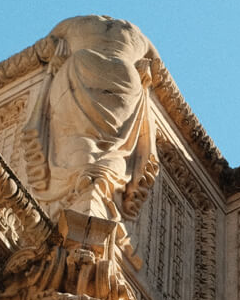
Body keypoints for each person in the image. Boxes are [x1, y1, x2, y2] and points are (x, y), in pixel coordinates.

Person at [20, 15, 159, 223]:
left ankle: (80, 184)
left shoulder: (69, 24)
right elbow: (157, 67)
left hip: (80, 65)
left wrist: (58, 54)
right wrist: (145, 67)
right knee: (111, 148)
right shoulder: (141, 37)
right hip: (126, 75)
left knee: (77, 141)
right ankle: (100, 182)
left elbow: (46, 49)